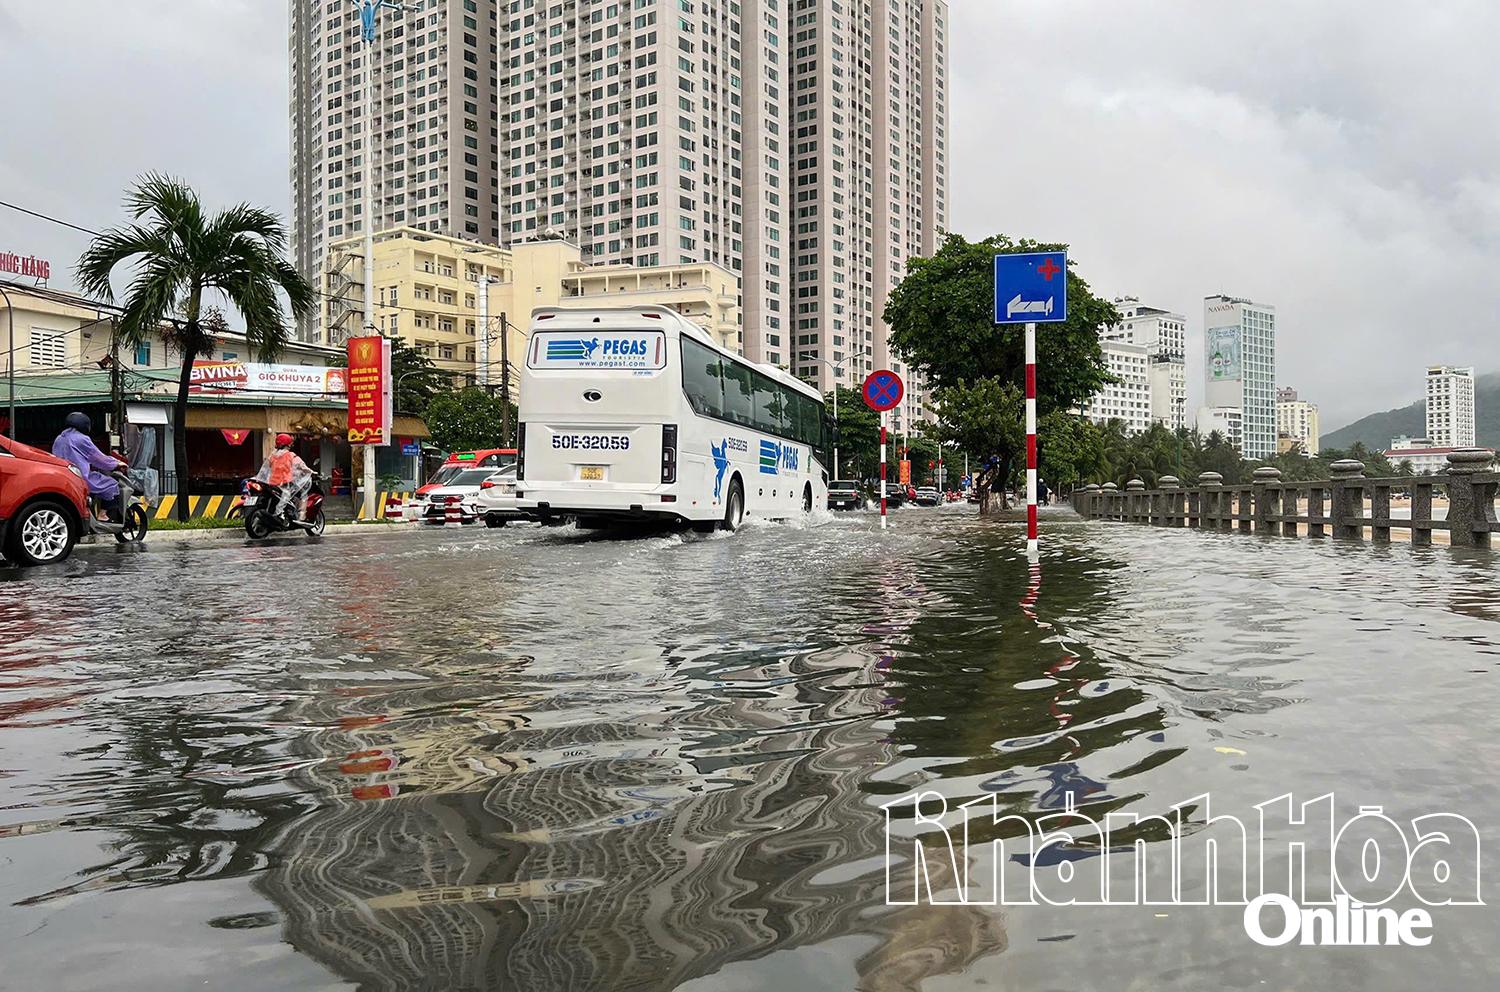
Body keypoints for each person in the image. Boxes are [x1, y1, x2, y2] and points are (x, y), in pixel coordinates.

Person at [53, 412, 127, 521]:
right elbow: (97, 458)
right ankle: (102, 515)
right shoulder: (82, 439)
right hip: (80, 477)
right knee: (111, 484)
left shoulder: (59, 439)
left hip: (63, 477)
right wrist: (116, 464)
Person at [254, 433, 313, 521]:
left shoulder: (272, 456)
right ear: (288, 444)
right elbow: (302, 466)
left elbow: (266, 468)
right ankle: (279, 513)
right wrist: (311, 471)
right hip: (284, 483)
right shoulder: (290, 455)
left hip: (272, 483)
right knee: (287, 495)